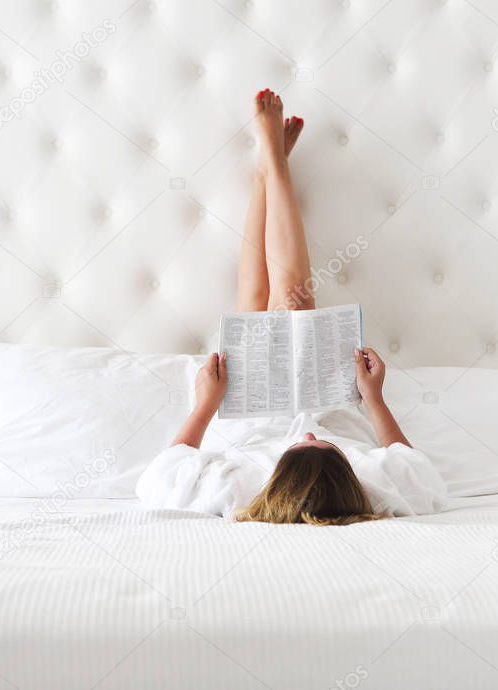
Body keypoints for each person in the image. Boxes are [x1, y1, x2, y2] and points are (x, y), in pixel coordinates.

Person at [135, 89, 445, 524]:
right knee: (292, 296)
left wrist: (205, 404)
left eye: (303, 444)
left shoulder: (238, 490)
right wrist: (374, 398)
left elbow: (156, 481)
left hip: (248, 420)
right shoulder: (377, 489)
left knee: (255, 304)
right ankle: (272, 166)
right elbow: (417, 472)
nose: (309, 432)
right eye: (326, 445)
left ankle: (270, 165)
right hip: (328, 399)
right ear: (352, 480)